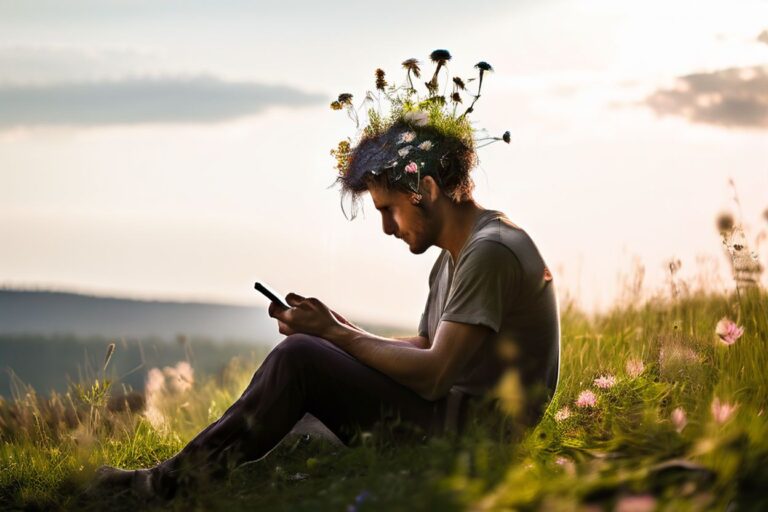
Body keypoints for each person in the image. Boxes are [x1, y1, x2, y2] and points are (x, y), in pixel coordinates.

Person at [92, 50, 560, 500]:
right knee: (304, 416)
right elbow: (424, 347)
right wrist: (338, 332)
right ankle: (213, 477)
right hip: (451, 420)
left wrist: (333, 337)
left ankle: (162, 487)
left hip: (472, 439)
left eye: (389, 210)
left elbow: (435, 375)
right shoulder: (456, 255)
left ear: (427, 189)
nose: (385, 228)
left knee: (300, 359)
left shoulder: (489, 252)